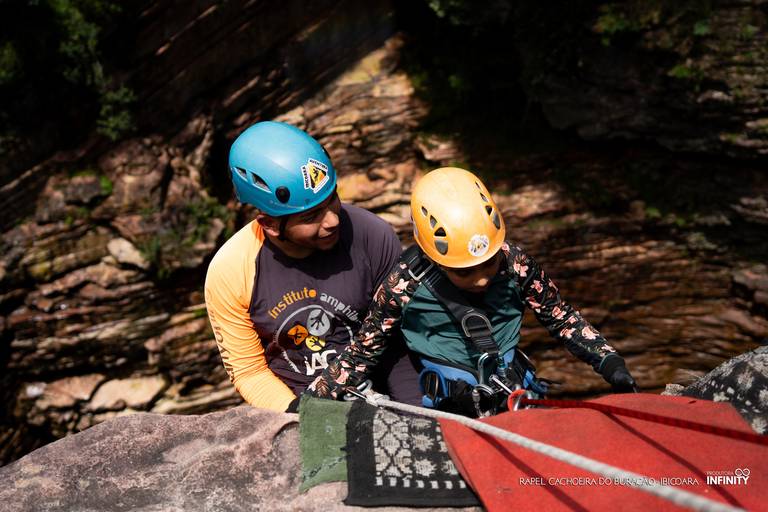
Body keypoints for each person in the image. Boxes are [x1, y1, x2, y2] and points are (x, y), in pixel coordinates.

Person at [308, 167, 637, 416]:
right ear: (433, 257)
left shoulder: (513, 261)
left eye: (488, 264)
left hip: (514, 384)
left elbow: (560, 317)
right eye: (464, 270)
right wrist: (310, 403)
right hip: (449, 395)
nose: (481, 279)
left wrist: (608, 361)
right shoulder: (404, 282)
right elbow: (365, 349)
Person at [204, 121, 403, 412]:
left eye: (332, 198)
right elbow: (249, 371)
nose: (332, 220)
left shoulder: (372, 235)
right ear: (270, 225)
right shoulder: (230, 270)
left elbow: (397, 341)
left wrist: (416, 414)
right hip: (295, 402)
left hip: (378, 391)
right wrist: (303, 415)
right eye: (311, 216)